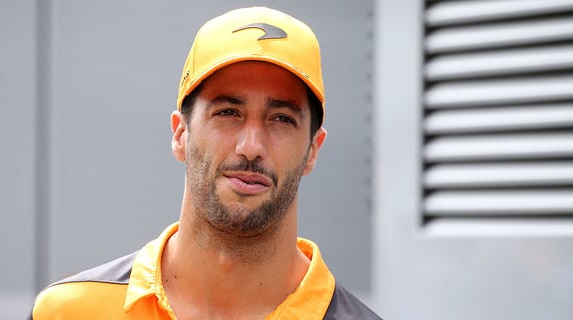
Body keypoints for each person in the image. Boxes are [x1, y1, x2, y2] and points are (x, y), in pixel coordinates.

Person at [30, 6, 380, 320]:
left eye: (282, 119)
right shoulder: (70, 312)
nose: (251, 147)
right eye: (228, 112)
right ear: (180, 133)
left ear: (313, 150)